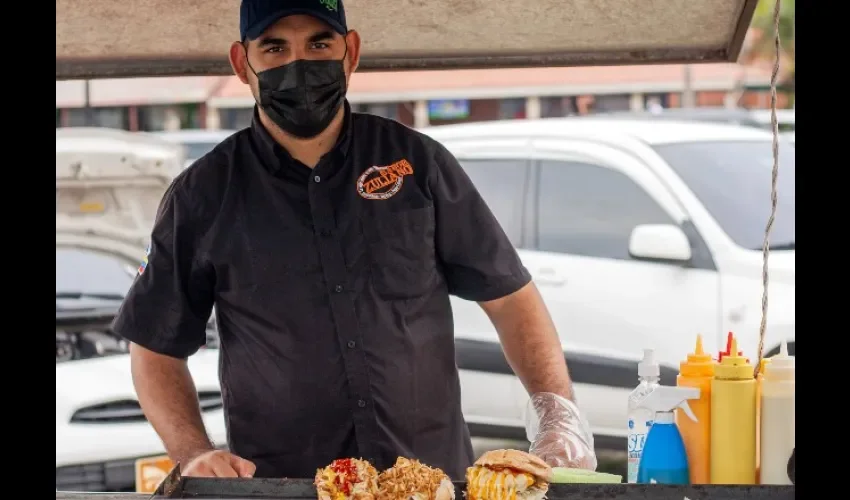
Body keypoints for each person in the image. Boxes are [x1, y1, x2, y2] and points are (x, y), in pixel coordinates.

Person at [114, 0, 597, 480]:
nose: (298, 65)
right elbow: (154, 349)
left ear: (352, 52)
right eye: (275, 48)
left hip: (428, 481)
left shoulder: (417, 164)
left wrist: (559, 414)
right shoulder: (203, 194)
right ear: (243, 63)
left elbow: (511, 300)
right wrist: (193, 451)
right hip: (284, 489)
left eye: (319, 43)